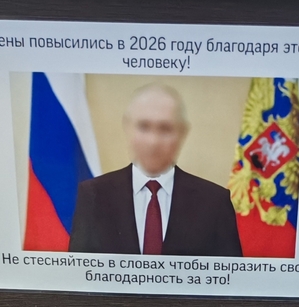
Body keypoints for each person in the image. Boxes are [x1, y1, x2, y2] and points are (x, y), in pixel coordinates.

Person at [69, 84, 243, 256]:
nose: (153, 141)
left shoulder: (214, 202)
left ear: (182, 132)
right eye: (144, 127)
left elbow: (229, 273)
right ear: (127, 126)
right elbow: (78, 271)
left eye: (165, 129)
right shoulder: (93, 195)